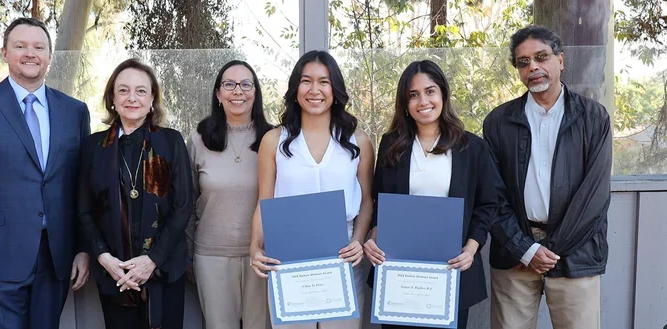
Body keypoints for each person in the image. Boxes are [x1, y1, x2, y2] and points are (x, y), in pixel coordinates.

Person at [0, 17, 91, 329]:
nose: (30, 53)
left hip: (56, 258)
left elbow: (80, 186)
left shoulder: (74, 111)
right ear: (5, 53)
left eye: (39, 47)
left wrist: (81, 249)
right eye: (20, 45)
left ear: (50, 56)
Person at [484, 25, 612, 329]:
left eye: (541, 57)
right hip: (514, 254)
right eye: (523, 62)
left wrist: (550, 250)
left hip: (575, 255)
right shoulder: (498, 122)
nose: (533, 67)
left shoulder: (593, 118)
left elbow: (593, 198)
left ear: (561, 60)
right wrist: (525, 249)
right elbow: (492, 194)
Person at [362, 60, 497, 329]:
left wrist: (471, 249)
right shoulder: (392, 145)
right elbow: (380, 205)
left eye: (430, 91)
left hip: (451, 271)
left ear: (443, 95)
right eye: (413, 95)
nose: (423, 101)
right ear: (405, 103)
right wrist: (372, 239)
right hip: (400, 273)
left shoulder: (472, 148)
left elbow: (487, 205)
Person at [249, 50, 375, 329]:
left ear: (335, 90)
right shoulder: (274, 141)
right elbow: (264, 201)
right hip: (288, 257)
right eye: (306, 81)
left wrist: (358, 240)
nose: (314, 90)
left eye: (324, 82)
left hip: (342, 256)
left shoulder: (359, 141)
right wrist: (255, 247)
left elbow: (367, 201)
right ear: (295, 89)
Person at [77, 58, 193, 329]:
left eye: (141, 91)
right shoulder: (93, 146)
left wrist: (151, 261)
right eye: (123, 90)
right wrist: (104, 258)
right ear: (112, 99)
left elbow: (183, 206)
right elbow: (83, 211)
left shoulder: (171, 141)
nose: (132, 98)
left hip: (164, 269)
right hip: (113, 273)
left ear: (152, 98)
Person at [187, 60, 274, 329]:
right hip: (210, 257)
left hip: (263, 258)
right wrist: (189, 255)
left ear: (255, 92)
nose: (238, 91)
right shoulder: (198, 139)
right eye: (229, 84)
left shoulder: (274, 139)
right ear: (218, 94)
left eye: (246, 84)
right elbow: (186, 203)